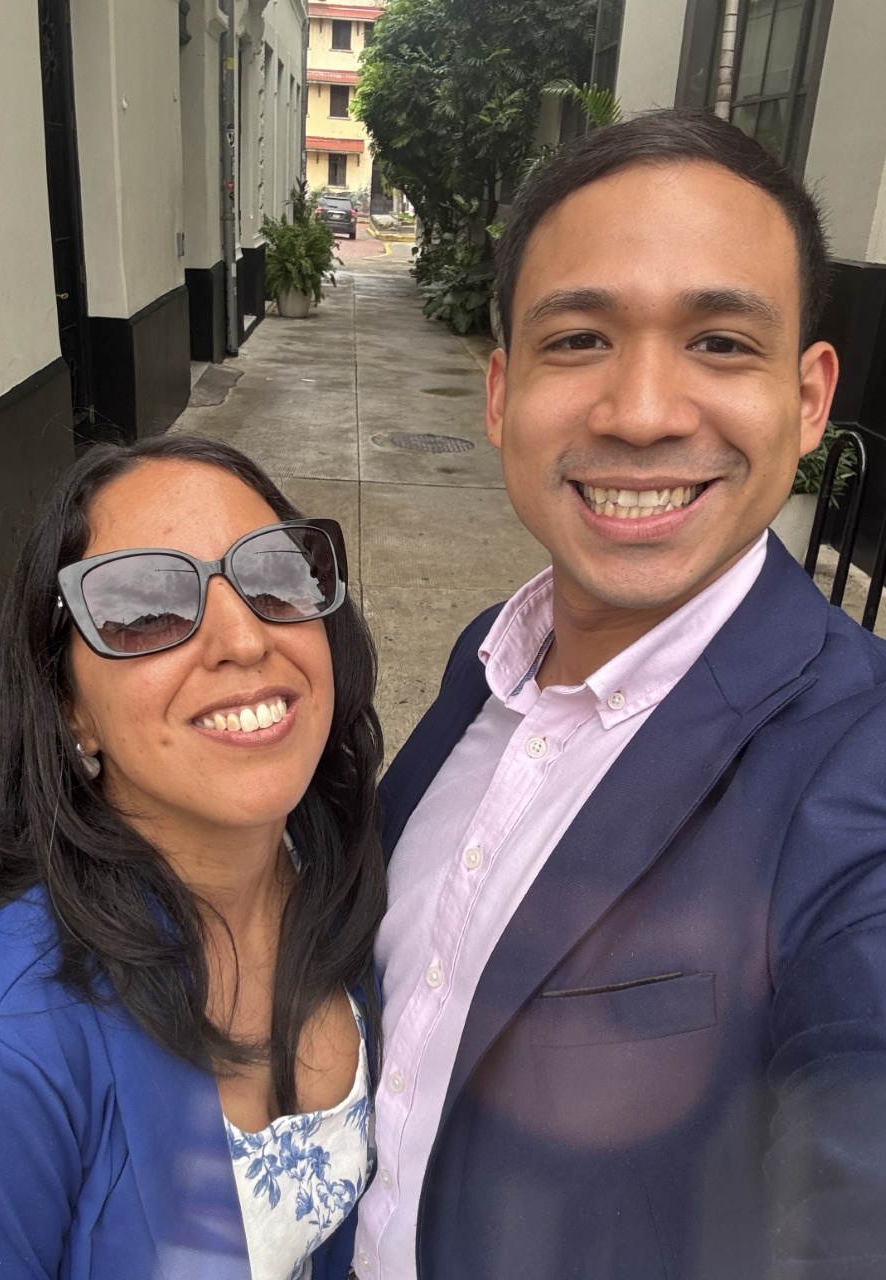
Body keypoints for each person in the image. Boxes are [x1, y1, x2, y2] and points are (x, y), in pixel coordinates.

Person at [355, 110, 886, 1279]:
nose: (642, 411)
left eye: (721, 343)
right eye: (581, 338)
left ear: (809, 400)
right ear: (502, 393)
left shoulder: (861, 769)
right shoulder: (488, 658)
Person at [0, 435, 385, 1280]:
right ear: (69, 705)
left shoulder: (348, 883)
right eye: (146, 609)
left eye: (276, 578)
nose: (244, 639)